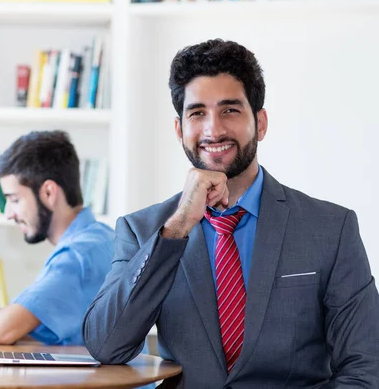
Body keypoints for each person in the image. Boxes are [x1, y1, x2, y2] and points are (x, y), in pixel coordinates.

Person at [82, 39, 379, 388]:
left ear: (261, 123)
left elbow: (365, 369)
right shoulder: (144, 230)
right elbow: (106, 346)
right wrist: (177, 227)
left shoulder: (331, 228)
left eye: (230, 110)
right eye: (197, 113)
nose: (213, 129)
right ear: (180, 130)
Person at [0, 130, 114, 346]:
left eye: (14, 200)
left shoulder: (76, 257)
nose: (9, 214)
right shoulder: (105, 238)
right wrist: (1, 314)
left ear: (49, 193)